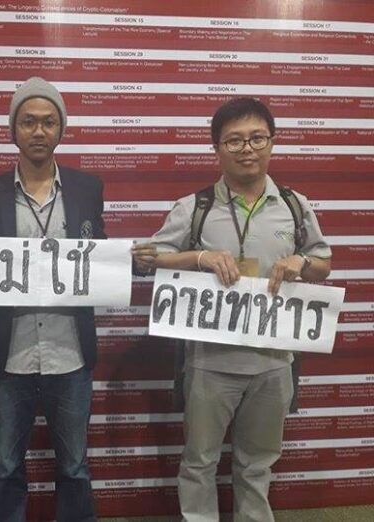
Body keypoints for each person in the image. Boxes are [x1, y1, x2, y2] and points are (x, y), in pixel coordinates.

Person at [0, 77, 156, 521]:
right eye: (28, 121)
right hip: (9, 354)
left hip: (70, 353)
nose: (38, 131)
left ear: (61, 129)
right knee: (7, 466)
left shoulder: (87, 188)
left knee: (74, 467)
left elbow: (97, 255)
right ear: (13, 129)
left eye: (49, 122)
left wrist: (133, 264)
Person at [151, 97, 332, 522]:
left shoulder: (294, 205)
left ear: (272, 143)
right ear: (217, 149)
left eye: (257, 138)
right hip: (209, 362)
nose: (247, 149)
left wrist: (302, 263)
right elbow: (149, 255)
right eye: (234, 141)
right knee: (199, 462)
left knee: (257, 464)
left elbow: (323, 262)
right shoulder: (193, 208)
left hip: (274, 363)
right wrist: (199, 258)